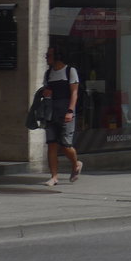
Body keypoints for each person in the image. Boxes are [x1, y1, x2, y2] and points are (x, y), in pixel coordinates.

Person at [42, 45, 83, 186]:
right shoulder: (48, 74)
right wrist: (46, 94)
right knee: (51, 144)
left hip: (65, 110)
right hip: (51, 112)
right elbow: (46, 91)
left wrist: (70, 111)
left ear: (57, 56)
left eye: (49, 55)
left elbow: (74, 93)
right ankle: (54, 176)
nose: (46, 58)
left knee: (65, 144)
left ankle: (76, 163)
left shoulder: (70, 71)